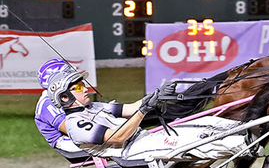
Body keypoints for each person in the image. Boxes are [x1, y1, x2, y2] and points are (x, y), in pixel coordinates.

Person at [42, 59, 247, 161]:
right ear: (65, 97)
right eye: (78, 87)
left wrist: (157, 96)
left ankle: (247, 131)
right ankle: (244, 146)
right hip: (132, 150)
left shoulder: (94, 106)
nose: (85, 88)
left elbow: (130, 108)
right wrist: (143, 111)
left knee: (201, 123)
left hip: (143, 138)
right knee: (192, 140)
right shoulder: (74, 124)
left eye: (82, 84)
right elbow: (117, 137)